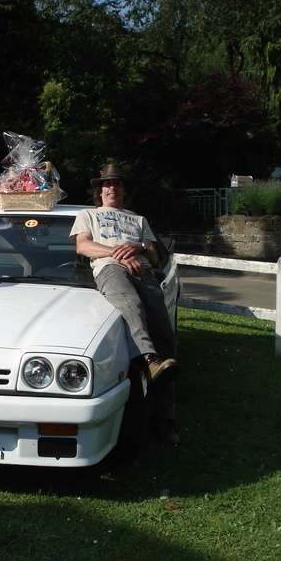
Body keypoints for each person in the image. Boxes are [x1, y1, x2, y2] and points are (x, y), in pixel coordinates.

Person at [69, 164, 181, 444]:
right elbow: (83, 247)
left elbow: (154, 256)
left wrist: (140, 247)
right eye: (106, 184)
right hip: (109, 267)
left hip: (143, 270)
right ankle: (149, 360)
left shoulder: (138, 219)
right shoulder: (88, 215)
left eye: (117, 184)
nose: (111, 188)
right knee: (131, 305)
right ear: (99, 191)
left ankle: (163, 418)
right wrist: (118, 253)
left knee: (166, 337)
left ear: (124, 190)